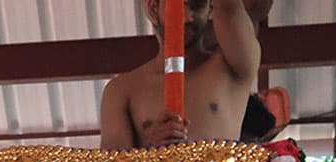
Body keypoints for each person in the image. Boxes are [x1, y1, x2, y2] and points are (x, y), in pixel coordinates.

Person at [99, 0, 260, 150]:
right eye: (176, 6)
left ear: (210, 8)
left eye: (197, 6)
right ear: (154, 9)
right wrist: (149, 148)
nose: (187, 17)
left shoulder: (231, 66)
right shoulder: (121, 90)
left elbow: (229, 9)